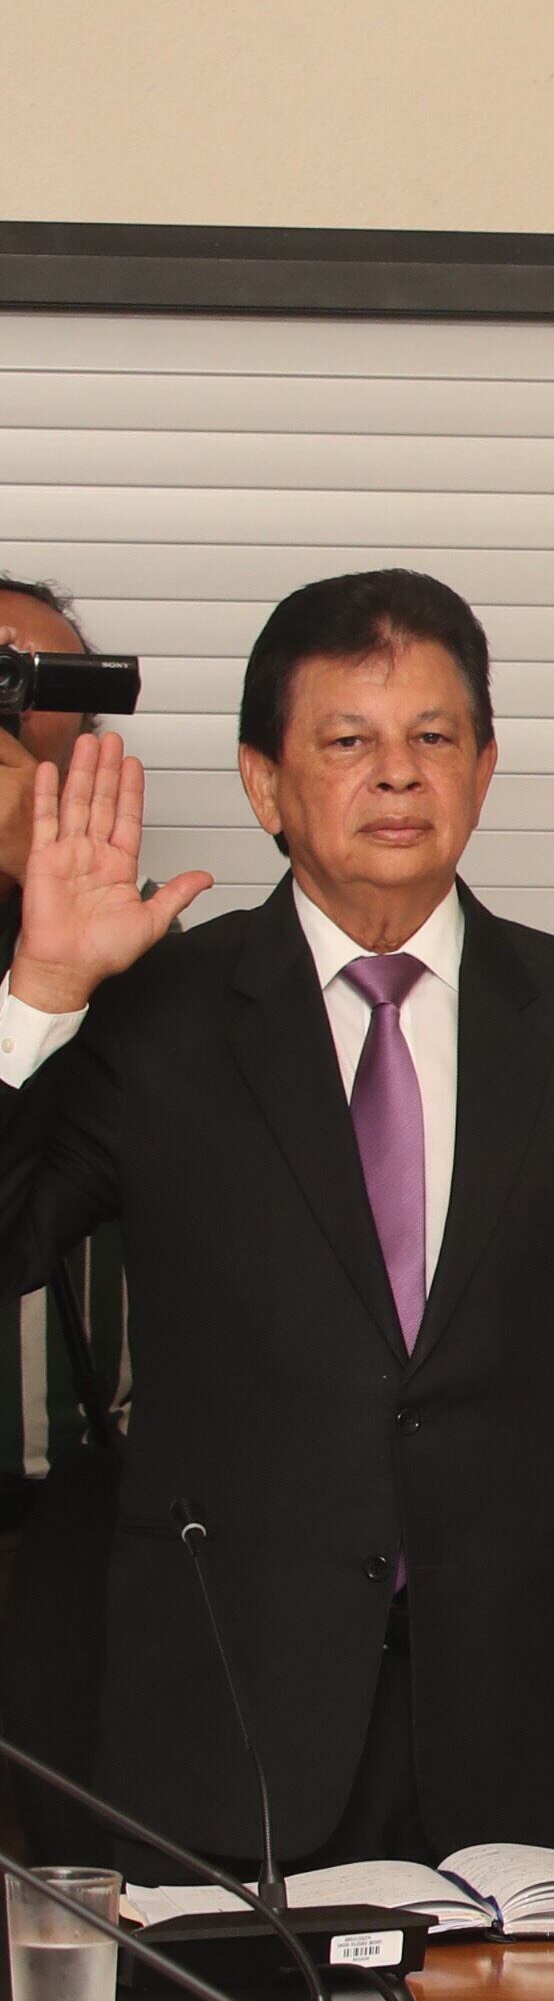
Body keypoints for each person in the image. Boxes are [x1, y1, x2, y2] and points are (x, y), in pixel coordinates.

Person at [0, 570, 554, 1866]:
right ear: (263, 784)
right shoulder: (155, 1017)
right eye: (347, 740)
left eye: (433, 737)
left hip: (533, 1732)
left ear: (485, 769)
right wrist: (43, 990)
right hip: (229, 1728)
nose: (397, 774)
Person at [0, 576, 130, 1859]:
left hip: (89, 1527)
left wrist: (49, 942)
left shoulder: (134, 963)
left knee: (83, 1902)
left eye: (40, 685)